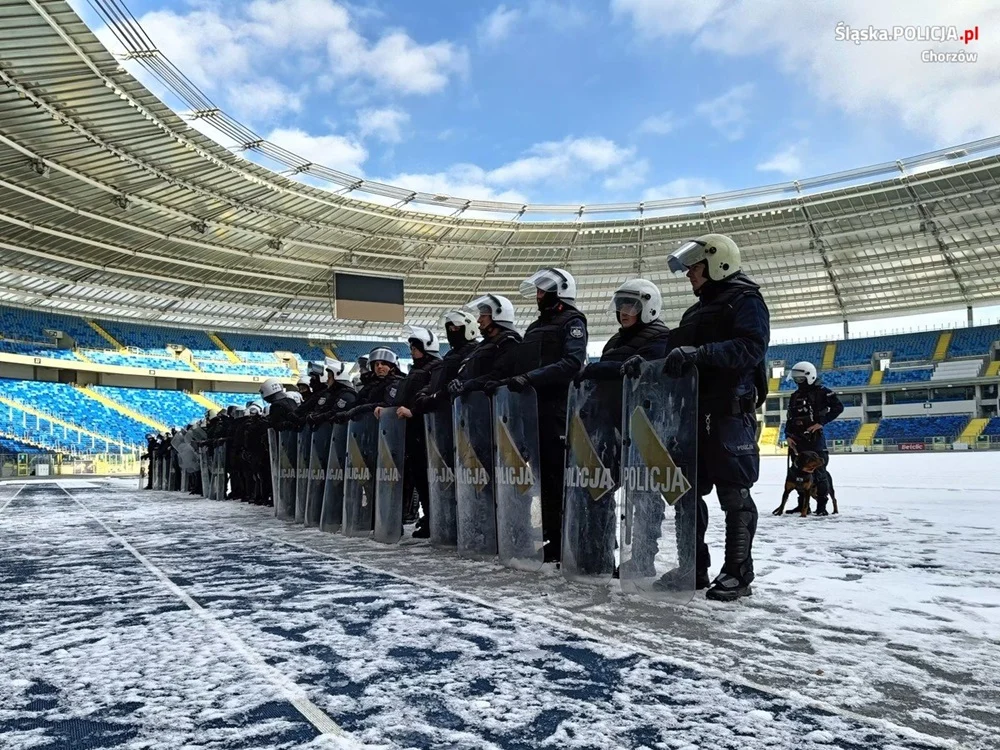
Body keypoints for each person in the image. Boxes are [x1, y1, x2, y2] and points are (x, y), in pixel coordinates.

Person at [661, 233, 770, 602]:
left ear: (717, 262)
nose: (689, 273)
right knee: (687, 495)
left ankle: (738, 572)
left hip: (728, 414)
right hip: (693, 415)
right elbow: (674, 352)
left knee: (734, 494)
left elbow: (751, 348)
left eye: (695, 266)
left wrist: (701, 353)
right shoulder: (695, 311)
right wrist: (647, 363)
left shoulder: (745, 299)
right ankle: (692, 567)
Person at [491, 268, 588, 563]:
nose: (537, 296)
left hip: (557, 409)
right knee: (542, 478)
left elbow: (572, 363)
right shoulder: (534, 327)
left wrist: (531, 378)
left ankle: (565, 541)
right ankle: (552, 538)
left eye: (542, 291)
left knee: (559, 477)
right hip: (531, 409)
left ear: (559, 291)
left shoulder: (572, 321)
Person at [390, 327, 442, 535]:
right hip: (413, 430)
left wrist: (414, 411)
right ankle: (429, 517)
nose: (412, 350)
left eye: (415, 347)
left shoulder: (435, 368)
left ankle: (433, 519)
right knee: (420, 477)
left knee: (428, 477)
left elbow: (430, 396)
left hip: (425, 430)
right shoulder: (416, 370)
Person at [783, 361, 843, 516]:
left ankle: (822, 507)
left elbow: (838, 408)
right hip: (798, 441)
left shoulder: (823, 392)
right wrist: (788, 436)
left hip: (816, 441)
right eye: (796, 378)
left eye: (800, 378)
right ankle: (803, 505)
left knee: (820, 472)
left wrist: (820, 423)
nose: (797, 382)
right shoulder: (795, 396)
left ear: (810, 376)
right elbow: (790, 419)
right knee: (798, 474)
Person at [448, 294, 522, 395]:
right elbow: (467, 371)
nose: (479, 320)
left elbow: (499, 375)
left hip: (495, 405)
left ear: (498, 315)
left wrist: (468, 385)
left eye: (483, 315)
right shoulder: (480, 346)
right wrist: (457, 382)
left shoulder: (509, 342)